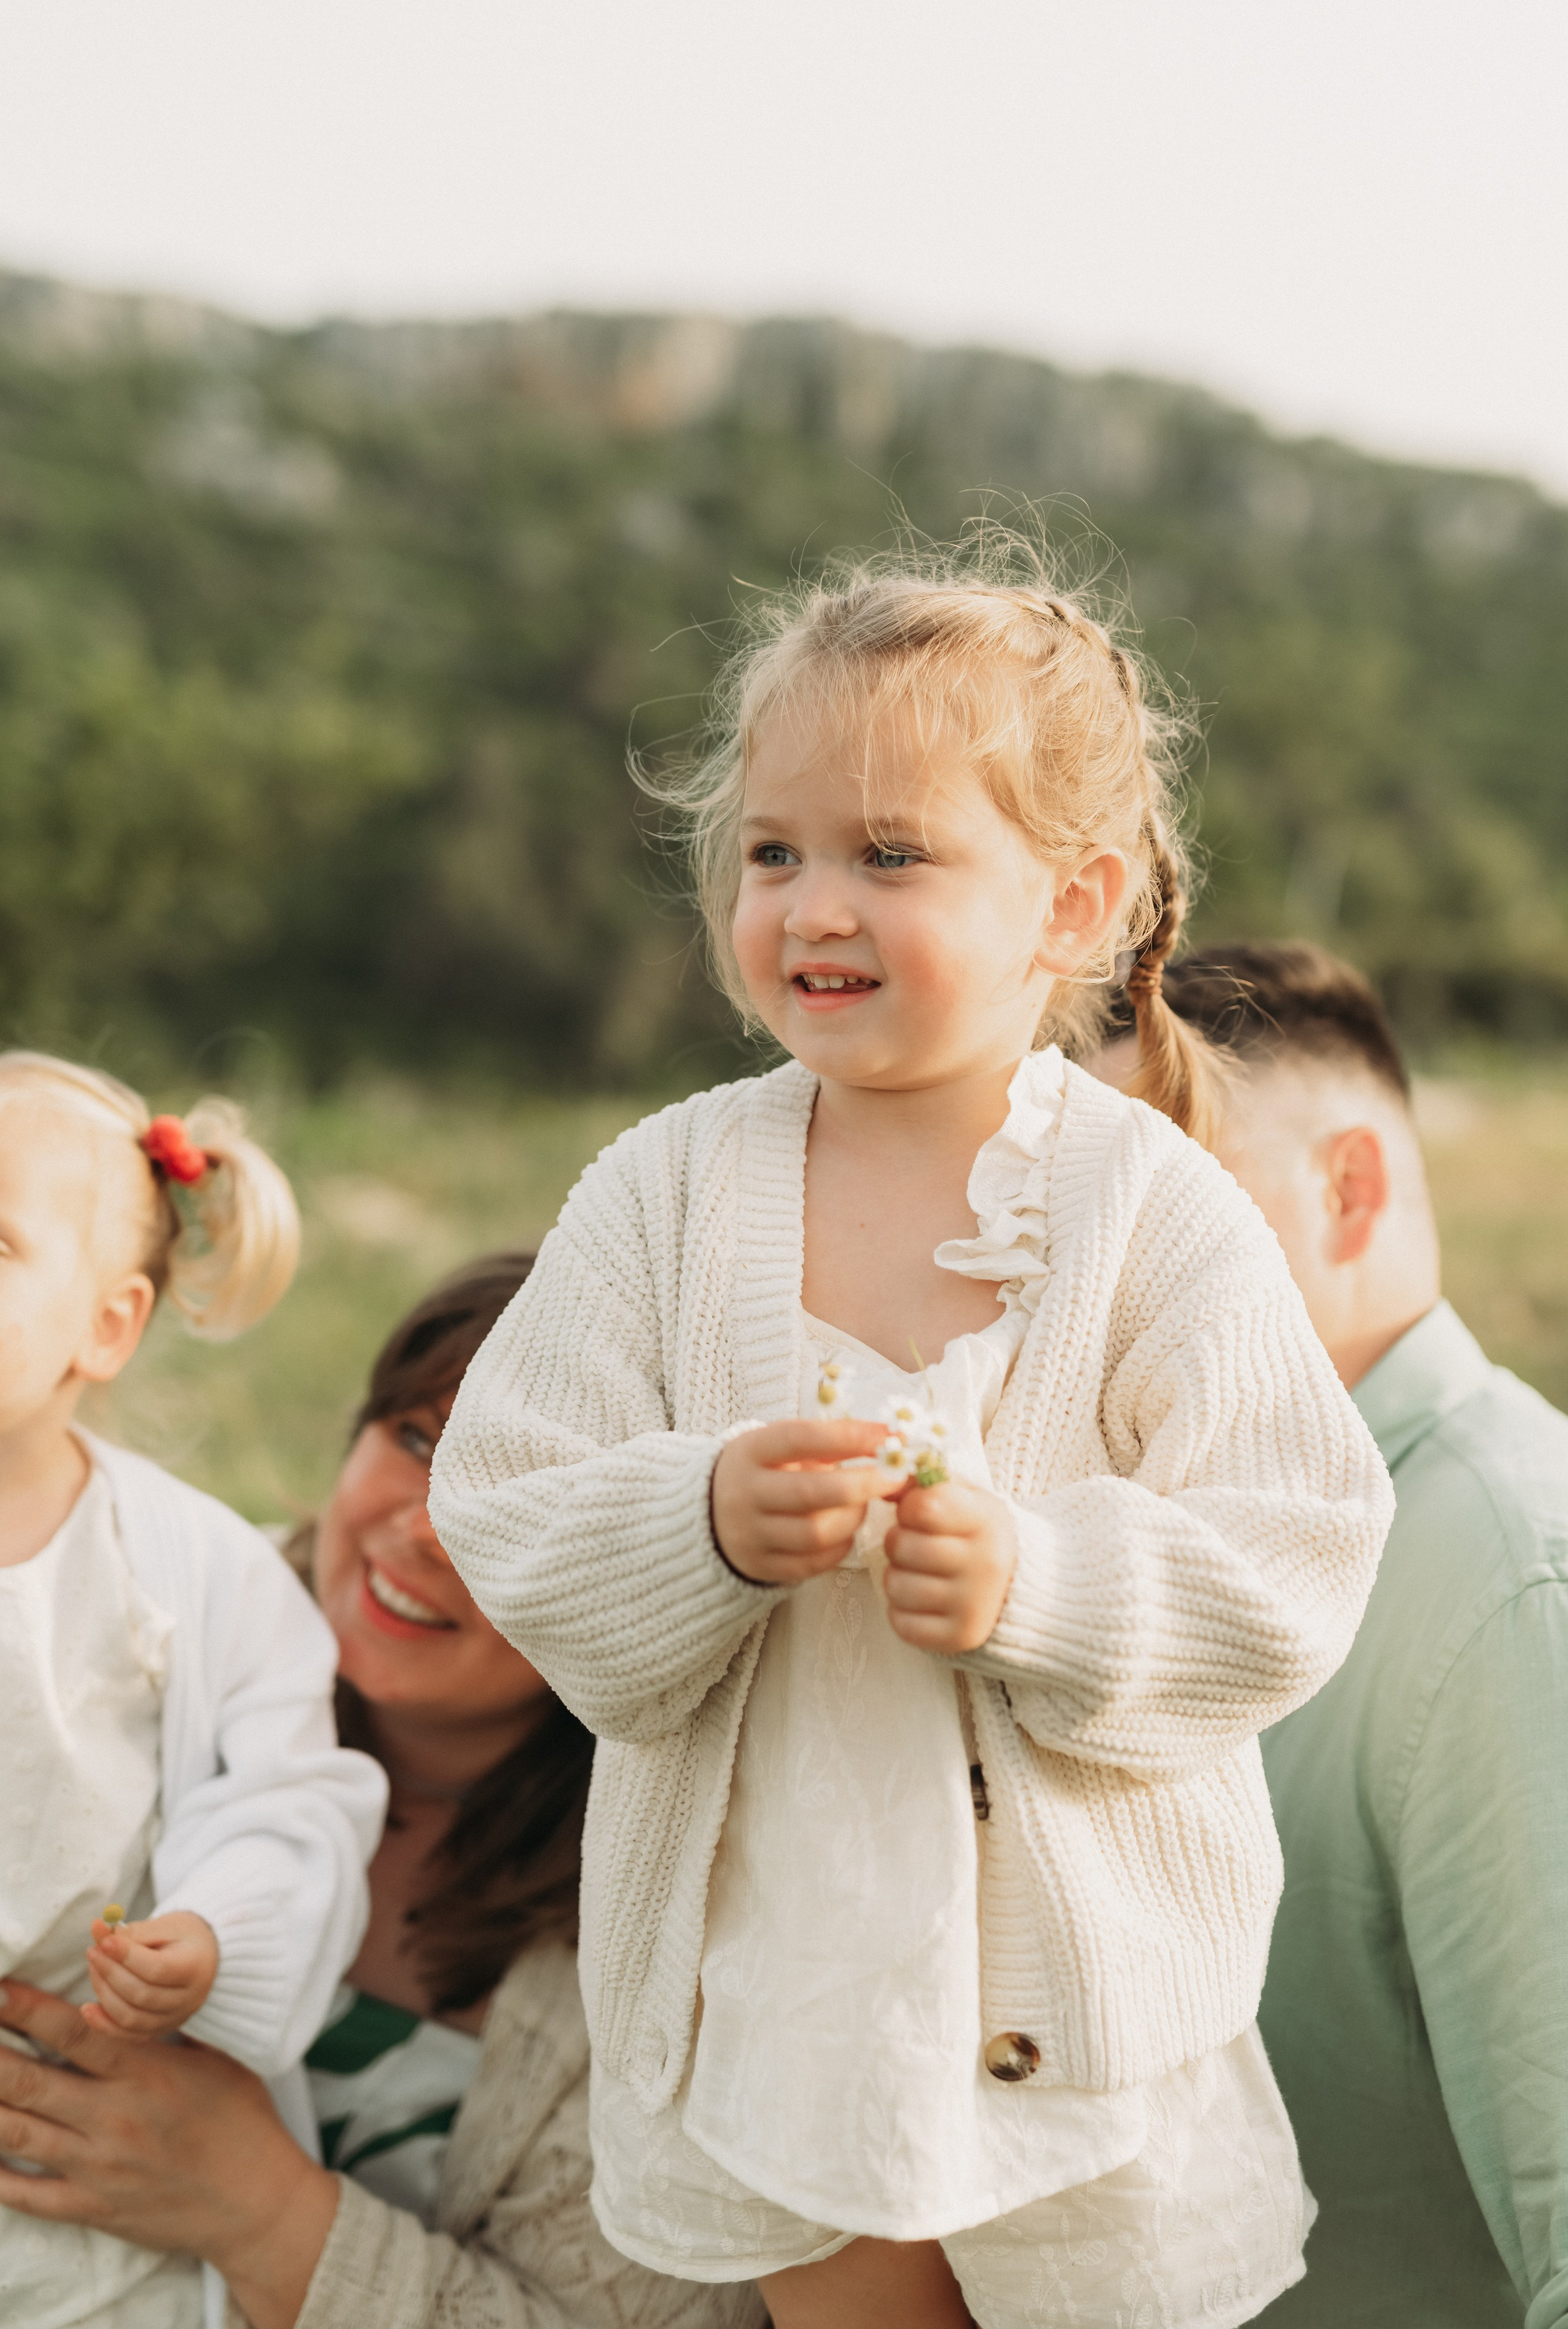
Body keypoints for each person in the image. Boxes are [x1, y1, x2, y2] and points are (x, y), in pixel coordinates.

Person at [428, 544, 1394, 2329]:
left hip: (1083, 2017)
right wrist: (702, 1517)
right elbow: (511, 1493)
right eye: (775, 850)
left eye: (891, 853)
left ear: (1074, 903)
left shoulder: (1151, 1212)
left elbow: (1295, 1541)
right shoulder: (662, 1192)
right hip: (788, 1992)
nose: (811, 904)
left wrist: (1043, 1579)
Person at [0, 1253, 763, 2329]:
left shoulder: (693, 1925)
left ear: (637, 1575)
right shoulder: (134, 1626)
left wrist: (258, 2212)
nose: (428, 1526)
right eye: (416, 1440)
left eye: (524, 1494)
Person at [1094, 939, 1568, 2327]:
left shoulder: (1511, 1579)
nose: (1102, 1278)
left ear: (1347, 1189)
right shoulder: (1185, 1556)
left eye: (1167, 1202)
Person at [0, 1050, 387, 2329]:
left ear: (105, 1325)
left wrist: (218, 1933)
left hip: (82, 2156)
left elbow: (290, 1793)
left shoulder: (187, 1571)